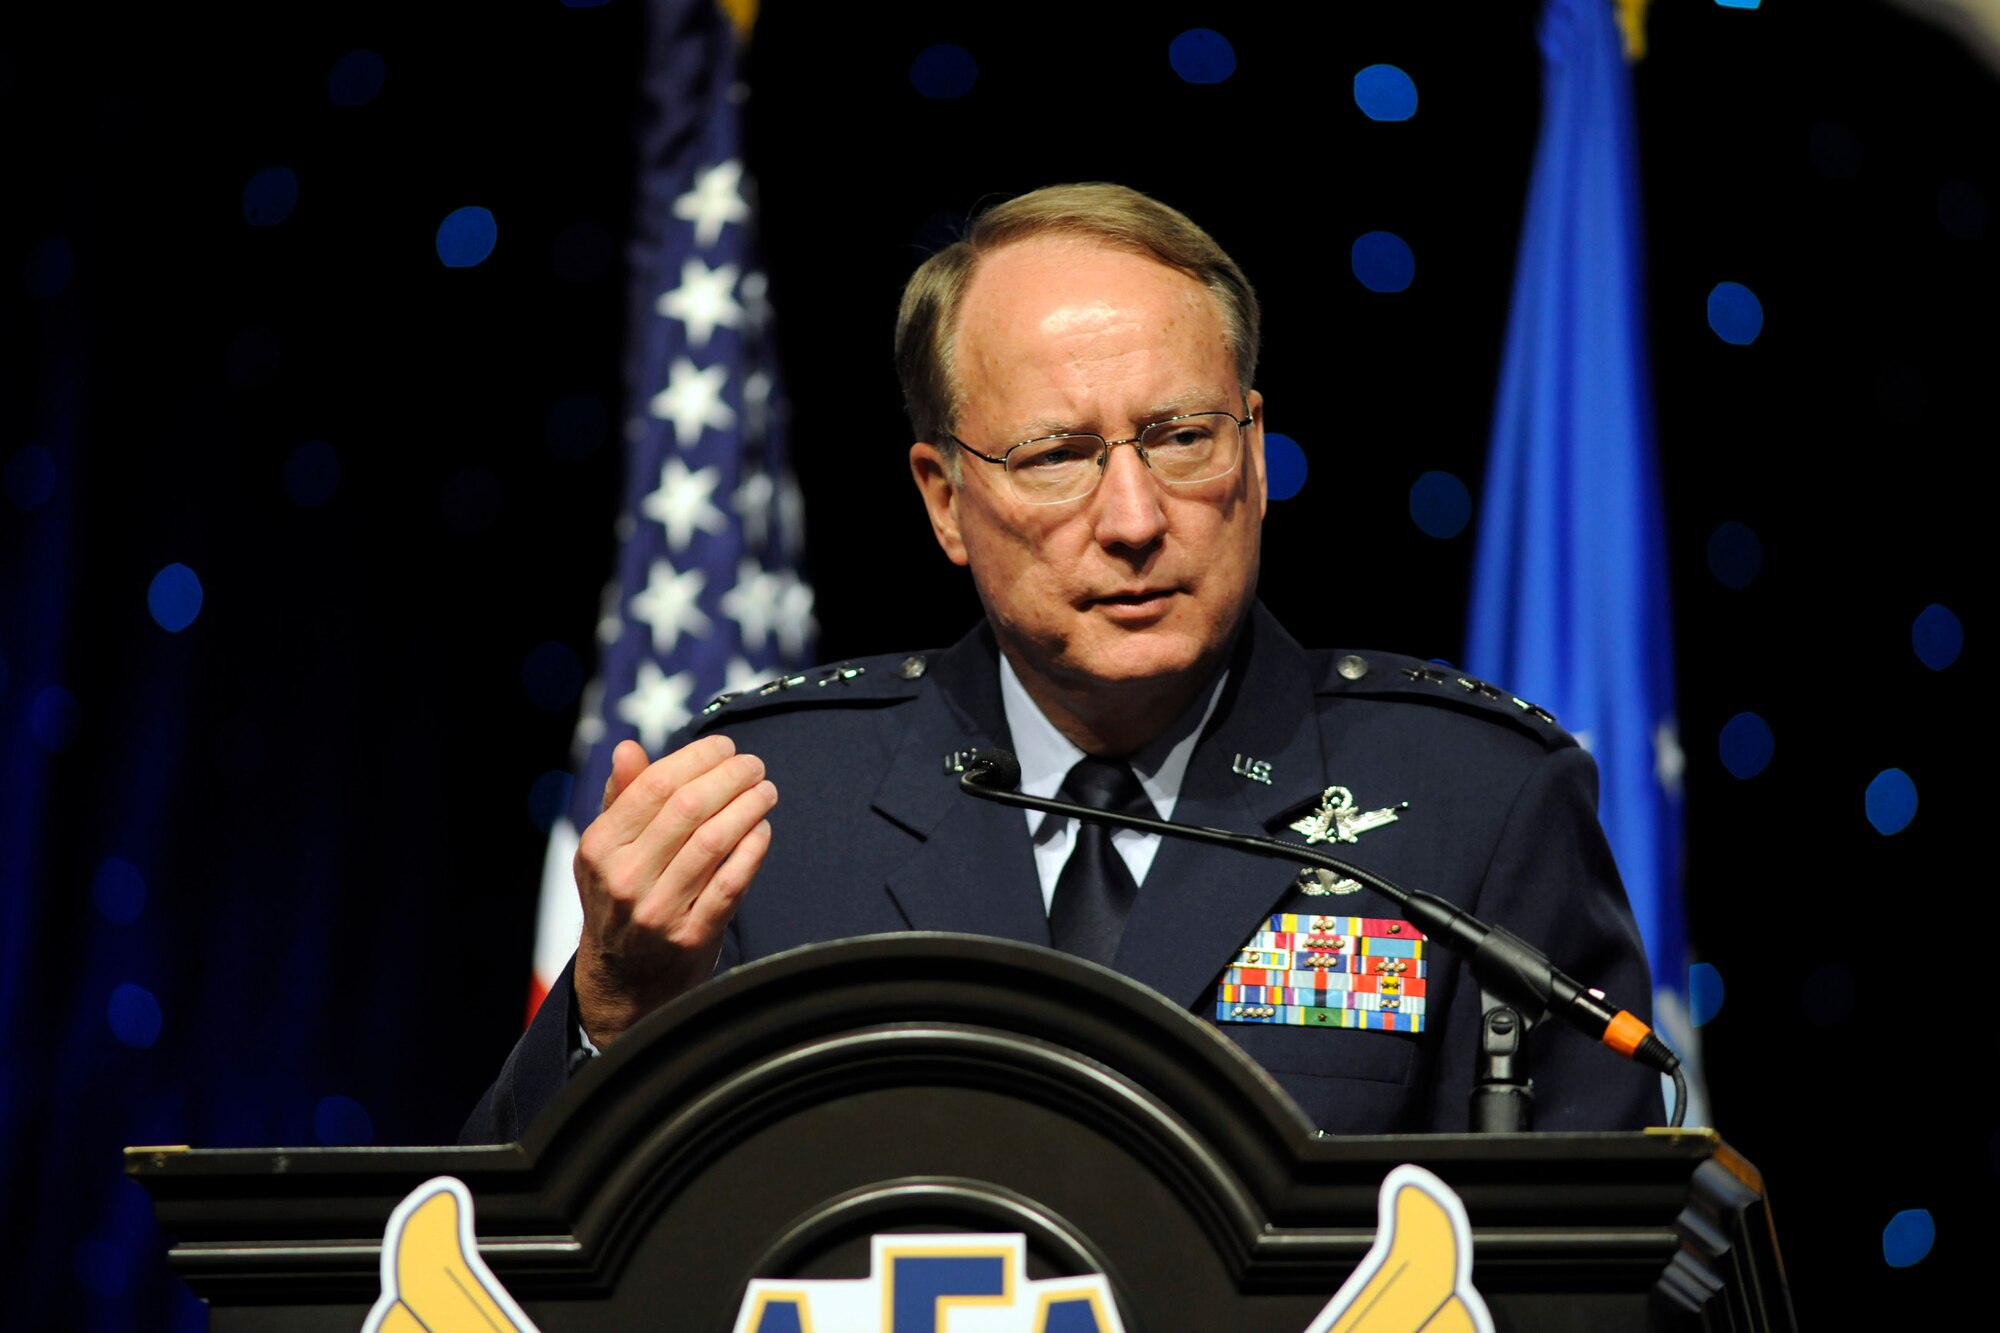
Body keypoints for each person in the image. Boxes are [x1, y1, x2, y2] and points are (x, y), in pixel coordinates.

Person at [463, 183, 1663, 1142]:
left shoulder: (1473, 802)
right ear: (943, 499)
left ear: (1253, 453)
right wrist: (614, 1015)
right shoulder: (774, 807)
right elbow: (490, 1254)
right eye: (1056, 456)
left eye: (1182, 437)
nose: (1134, 515)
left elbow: (1598, 1268)